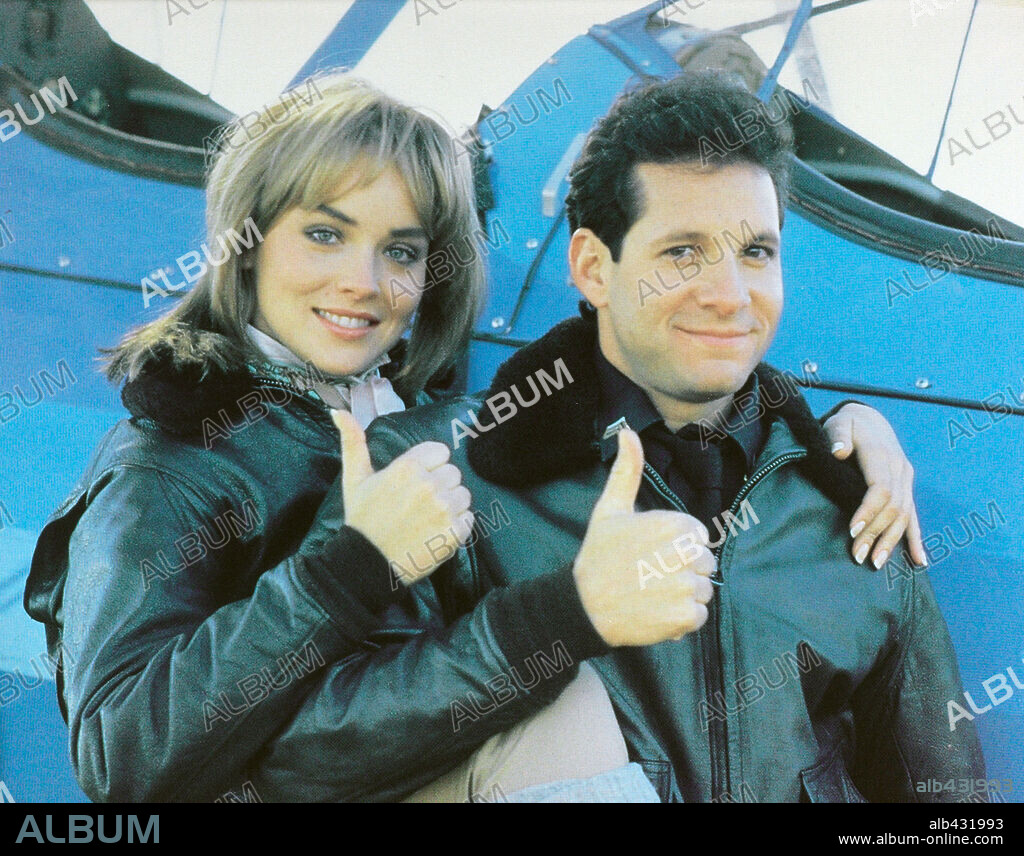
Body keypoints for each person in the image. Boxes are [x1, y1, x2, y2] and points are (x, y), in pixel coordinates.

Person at [26, 71, 926, 803]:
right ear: (246, 243)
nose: (363, 282)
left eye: (403, 251)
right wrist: (356, 564)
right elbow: (124, 761)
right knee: (567, 703)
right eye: (325, 234)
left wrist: (828, 429)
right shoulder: (169, 461)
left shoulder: (408, 413)